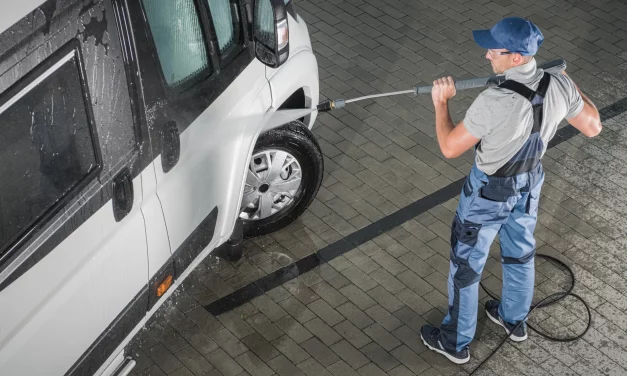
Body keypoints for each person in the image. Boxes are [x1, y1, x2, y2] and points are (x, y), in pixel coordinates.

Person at [419, 17, 602, 364]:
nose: (488, 55)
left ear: (516, 57)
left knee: (466, 265)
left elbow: (449, 147)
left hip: (489, 192)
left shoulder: (494, 100)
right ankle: (513, 319)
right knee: (519, 253)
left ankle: (454, 341)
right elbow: (593, 126)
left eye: (495, 50)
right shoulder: (559, 85)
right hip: (530, 183)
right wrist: (570, 86)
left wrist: (441, 102)